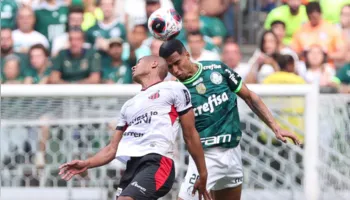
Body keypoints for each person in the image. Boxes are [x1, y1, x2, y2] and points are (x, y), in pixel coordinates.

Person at [158, 39, 300, 200]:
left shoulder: (217, 70)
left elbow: (250, 97)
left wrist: (275, 127)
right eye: (170, 67)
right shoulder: (176, 90)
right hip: (205, 157)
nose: (175, 70)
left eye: (177, 63)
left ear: (187, 54)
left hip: (233, 153)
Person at [59, 55, 211, 200]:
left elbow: (190, 134)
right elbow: (112, 148)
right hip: (132, 167)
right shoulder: (128, 105)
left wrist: (202, 173)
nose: (133, 67)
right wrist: (87, 163)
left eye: (138, 63)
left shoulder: (173, 88)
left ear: (154, 64)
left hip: (158, 161)